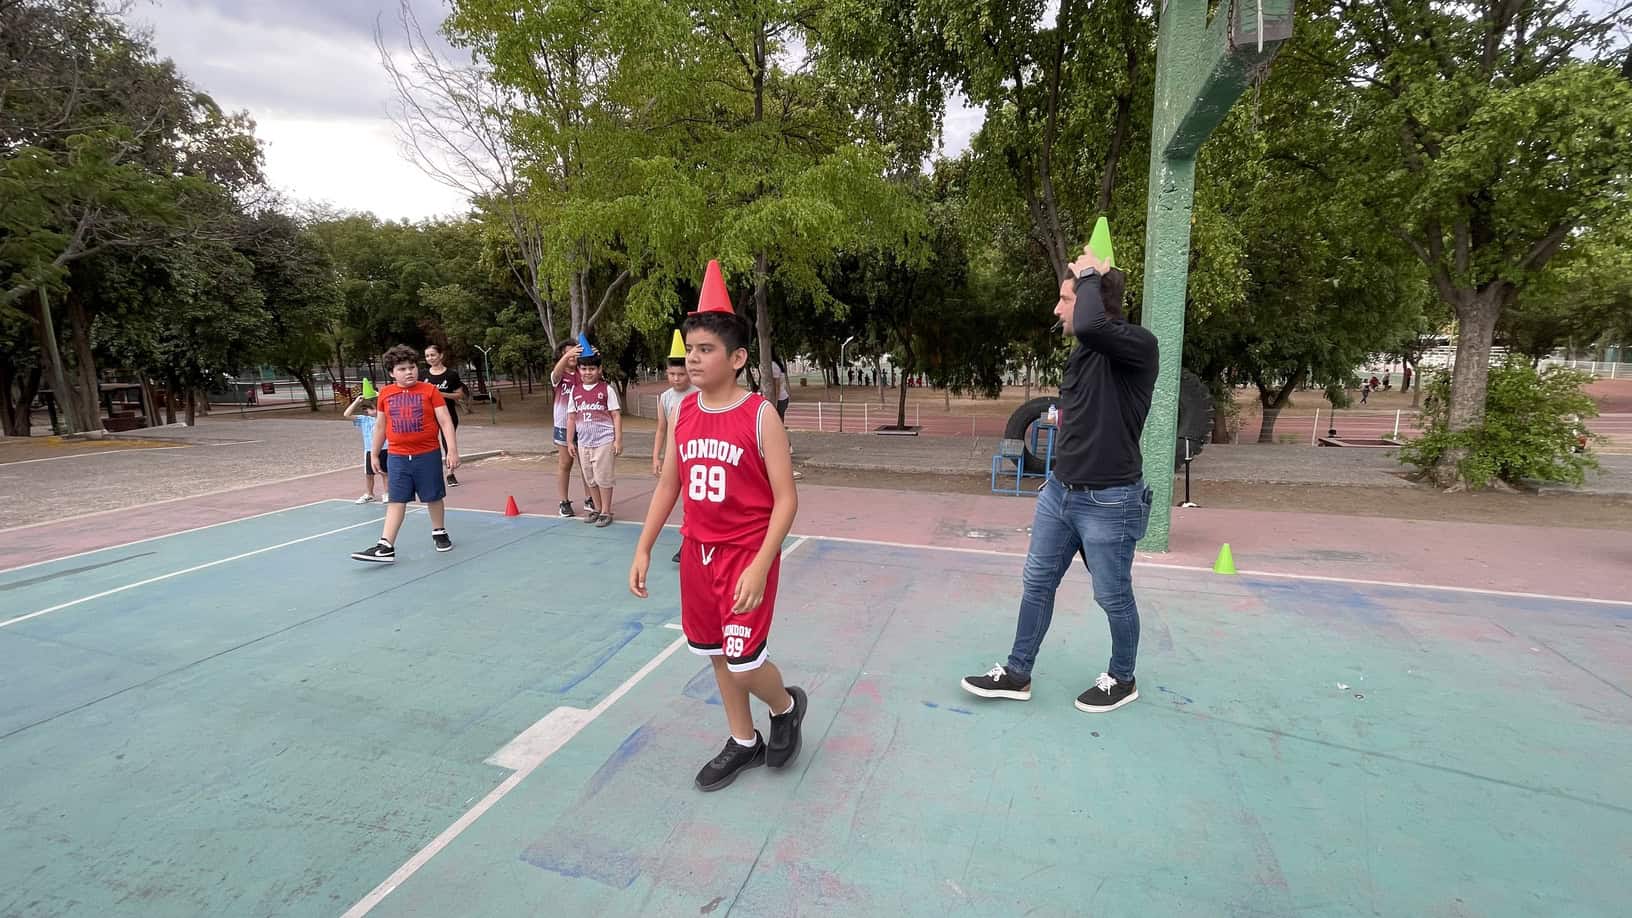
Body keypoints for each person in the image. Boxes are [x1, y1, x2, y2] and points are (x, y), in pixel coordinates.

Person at [961, 239, 1157, 714]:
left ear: (1093, 299)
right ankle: (1017, 671)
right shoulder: (1083, 355)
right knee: (1037, 581)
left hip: (1110, 501)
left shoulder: (1138, 346)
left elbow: (1093, 323)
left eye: (1065, 298)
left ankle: (1123, 677)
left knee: (1112, 595)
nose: (1057, 309)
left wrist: (1090, 274)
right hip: (1060, 495)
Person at [629, 264, 806, 792]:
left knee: (745, 662)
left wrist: (760, 563)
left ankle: (786, 704)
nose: (692, 359)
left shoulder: (759, 415)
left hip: (745, 555)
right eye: (690, 349)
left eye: (705, 349)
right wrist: (643, 547)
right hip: (697, 554)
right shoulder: (684, 412)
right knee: (714, 654)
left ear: (737, 358)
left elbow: (787, 499)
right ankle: (743, 740)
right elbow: (669, 486)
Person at [351, 345, 459, 563]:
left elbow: (445, 421)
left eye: (412, 367)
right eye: (402, 369)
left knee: (433, 495)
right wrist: (373, 453)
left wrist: (452, 451)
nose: (409, 372)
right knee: (396, 499)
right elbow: (380, 426)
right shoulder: (386, 395)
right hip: (398, 456)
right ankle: (386, 545)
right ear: (392, 373)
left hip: (427, 454)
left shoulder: (430, 391)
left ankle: (439, 531)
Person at [565, 349, 622, 527]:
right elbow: (571, 417)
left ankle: (606, 510)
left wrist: (618, 439)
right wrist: (569, 441)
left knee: (603, 477)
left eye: (591, 368)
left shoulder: (606, 389)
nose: (588, 372)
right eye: (583, 369)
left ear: (599, 369)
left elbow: (616, 415)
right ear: (578, 371)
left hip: (604, 440)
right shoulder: (575, 391)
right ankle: (596, 508)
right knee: (590, 477)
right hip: (583, 442)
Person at [655, 341, 698, 563]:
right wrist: (656, 455)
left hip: (694, 455)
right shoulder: (665, 397)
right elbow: (662, 428)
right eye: (672, 374)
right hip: (674, 456)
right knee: (674, 497)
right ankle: (688, 543)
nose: (676, 379)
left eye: (681, 374)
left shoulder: (698, 393)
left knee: (692, 502)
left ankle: (688, 544)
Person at [550, 341, 594, 518]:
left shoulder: (581, 374)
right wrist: (567, 355)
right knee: (565, 463)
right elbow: (554, 374)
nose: (573, 357)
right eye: (569, 354)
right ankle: (564, 502)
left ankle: (590, 498)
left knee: (585, 465)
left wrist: (593, 357)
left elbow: (597, 376)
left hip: (582, 424)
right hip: (562, 424)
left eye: (576, 353)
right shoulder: (560, 376)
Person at [422, 344, 468, 487]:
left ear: (440, 355)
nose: (430, 358)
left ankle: (450, 473)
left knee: (448, 443)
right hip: (428, 416)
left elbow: (460, 394)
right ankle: (429, 472)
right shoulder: (423, 375)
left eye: (433, 355)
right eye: (427, 356)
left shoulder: (451, 374)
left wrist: (441, 394)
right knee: (428, 443)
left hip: (447, 414)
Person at [343, 394, 387, 503]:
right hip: (369, 450)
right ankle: (369, 494)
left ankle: (387, 493)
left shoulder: (385, 418)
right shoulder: (363, 419)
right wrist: (356, 402)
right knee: (369, 474)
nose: (367, 411)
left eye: (370, 408)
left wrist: (380, 398)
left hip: (385, 449)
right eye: (366, 409)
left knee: (385, 473)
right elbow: (346, 414)